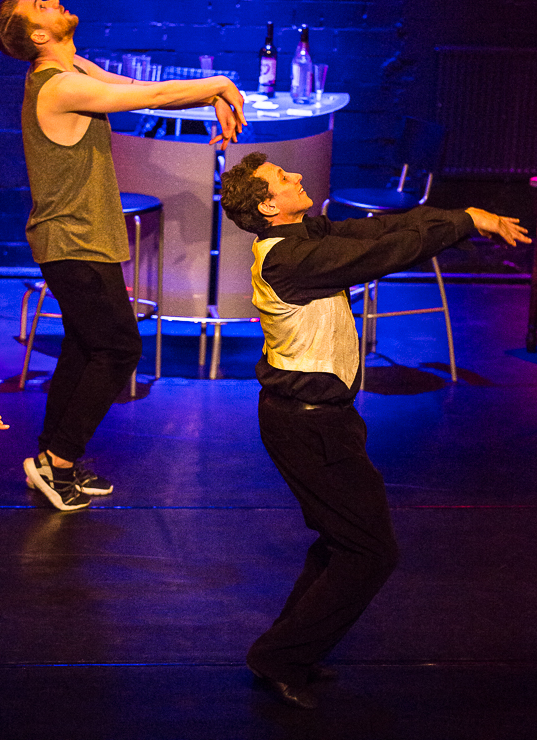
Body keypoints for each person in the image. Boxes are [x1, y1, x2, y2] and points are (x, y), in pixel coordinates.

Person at [220, 152, 531, 709]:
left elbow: (380, 229)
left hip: (322, 421)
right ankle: (282, 656)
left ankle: (288, 652)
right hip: (306, 425)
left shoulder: (306, 237)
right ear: (268, 207)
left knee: (343, 543)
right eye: (283, 179)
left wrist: (465, 216)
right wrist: (463, 222)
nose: (296, 176)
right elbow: (384, 251)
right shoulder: (291, 259)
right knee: (369, 552)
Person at [0, 0, 246, 511]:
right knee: (119, 349)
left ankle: (51, 459)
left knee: (85, 347)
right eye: (41, 6)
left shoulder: (74, 71)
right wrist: (218, 84)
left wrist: (209, 98)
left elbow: (139, 92)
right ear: (38, 35)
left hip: (81, 238)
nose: (54, 1)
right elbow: (149, 94)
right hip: (72, 240)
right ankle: (59, 461)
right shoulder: (60, 86)